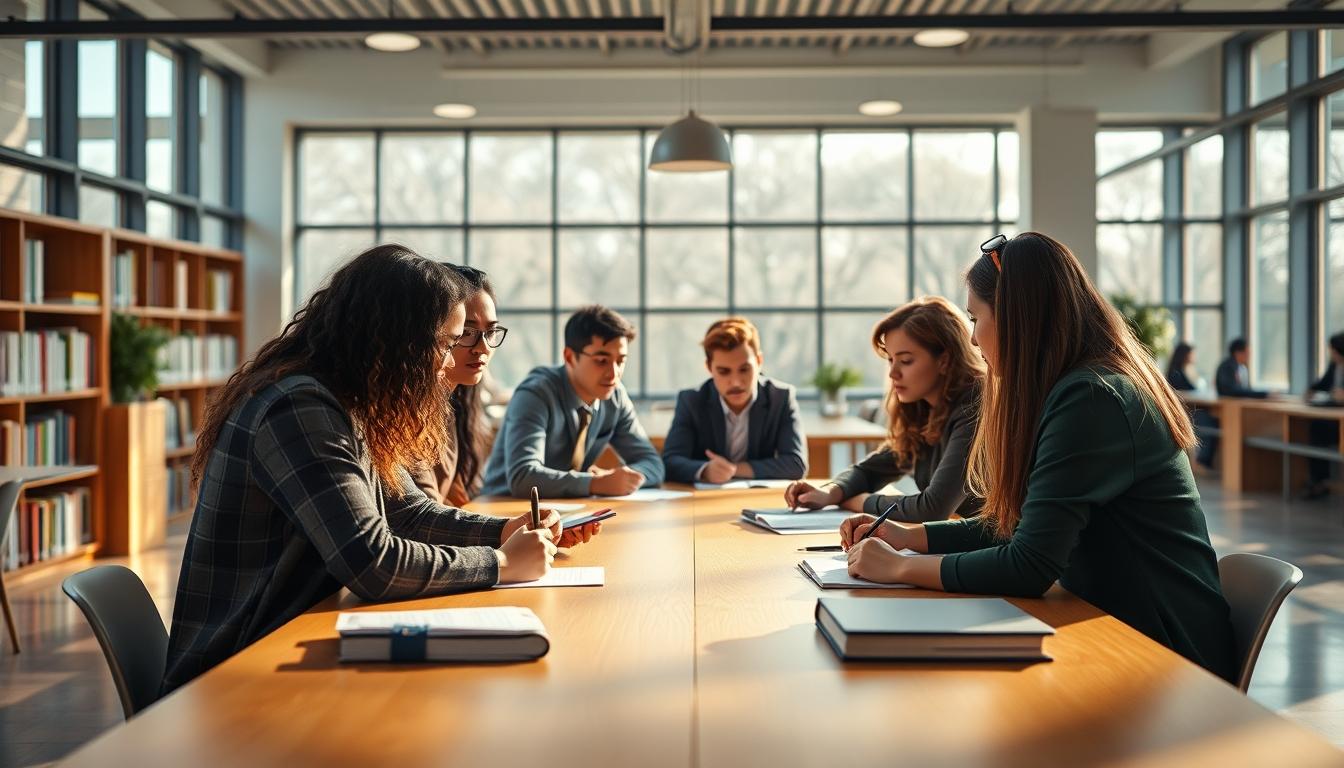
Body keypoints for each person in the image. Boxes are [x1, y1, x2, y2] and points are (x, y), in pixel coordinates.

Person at [161, 246, 600, 693]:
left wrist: (505, 531)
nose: (450, 361)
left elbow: (407, 512)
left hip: (293, 643)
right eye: (447, 343)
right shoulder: (299, 408)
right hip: (233, 672)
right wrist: (501, 563)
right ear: (396, 340)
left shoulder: (351, 405)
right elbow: (373, 563)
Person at [841, 232, 1237, 682]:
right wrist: (909, 537)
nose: (972, 339)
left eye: (975, 318)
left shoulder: (1093, 397)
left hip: (1165, 656)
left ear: (1016, 317)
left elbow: (1030, 565)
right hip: (1113, 626)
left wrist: (901, 567)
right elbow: (1021, 527)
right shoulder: (1077, 387)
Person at [783, 296, 985, 522]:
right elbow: (871, 469)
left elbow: (933, 507)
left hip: (996, 549)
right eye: (890, 360)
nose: (892, 373)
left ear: (944, 360)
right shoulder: (925, 409)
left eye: (906, 361)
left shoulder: (974, 406)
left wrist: (861, 502)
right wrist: (831, 491)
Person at [480, 305, 665, 498]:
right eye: (602, 361)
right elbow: (523, 477)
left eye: (621, 361)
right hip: (504, 507)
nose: (614, 373)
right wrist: (595, 483)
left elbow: (653, 464)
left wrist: (613, 480)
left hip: (568, 510)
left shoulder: (615, 397)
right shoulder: (535, 394)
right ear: (569, 357)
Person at [661, 317, 807, 485]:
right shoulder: (691, 401)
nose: (736, 382)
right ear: (709, 368)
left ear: (759, 362)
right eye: (724, 372)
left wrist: (734, 469)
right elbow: (670, 462)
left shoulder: (781, 398)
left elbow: (796, 465)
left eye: (744, 369)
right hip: (705, 502)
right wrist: (706, 470)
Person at [410, 265, 503, 506]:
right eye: (467, 331)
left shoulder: (457, 404)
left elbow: (455, 501)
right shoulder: (407, 410)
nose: (483, 348)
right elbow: (421, 514)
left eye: (491, 331)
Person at [1302, 331, 1344, 499]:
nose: (1330, 353)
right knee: (1315, 428)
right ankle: (1319, 481)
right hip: (1332, 413)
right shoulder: (1334, 365)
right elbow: (1323, 383)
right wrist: (1311, 390)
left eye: (1332, 350)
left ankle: (1320, 481)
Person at [1167, 341, 1217, 469]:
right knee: (1208, 422)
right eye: (1191, 354)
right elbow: (1185, 391)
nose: (1194, 357)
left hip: (1194, 407)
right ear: (1184, 355)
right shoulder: (1176, 373)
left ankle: (1204, 462)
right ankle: (1202, 462)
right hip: (1185, 411)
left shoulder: (1189, 370)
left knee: (1211, 420)